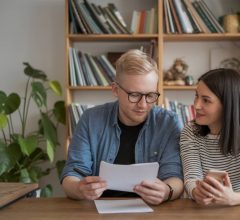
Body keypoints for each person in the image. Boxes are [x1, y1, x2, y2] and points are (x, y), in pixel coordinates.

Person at [61, 49, 183, 205]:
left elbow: (175, 177)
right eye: (134, 95)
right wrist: (79, 188)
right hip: (97, 211)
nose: (143, 104)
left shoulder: (168, 123)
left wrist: (167, 191)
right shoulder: (90, 120)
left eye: (151, 95)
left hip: (152, 213)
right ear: (115, 90)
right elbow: (72, 174)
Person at [180, 68, 240, 206]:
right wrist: (196, 192)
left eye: (206, 100)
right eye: (196, 96)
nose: (196, 105)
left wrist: (233, 198)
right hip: (203, 210)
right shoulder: (190, 131)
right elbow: (191, 179)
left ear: (228, 104)